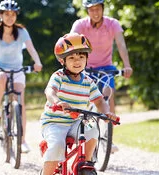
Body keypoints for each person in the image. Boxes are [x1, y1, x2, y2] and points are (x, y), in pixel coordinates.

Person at [40, 33, 118, 175]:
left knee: (93, 129)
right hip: (54, 122)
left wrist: (106, 112)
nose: (77, 61)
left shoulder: (88, 81)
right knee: (57, 145)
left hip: (76, 122)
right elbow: (49, 91)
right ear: (63, 61)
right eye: (72, 58)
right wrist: (57, 102)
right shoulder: (59, 77)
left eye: (81, 57)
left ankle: (84, 162)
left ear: (87, 58)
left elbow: (100, 100)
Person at [70, 0, 133, 153]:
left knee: (107, 93)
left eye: (98, 9)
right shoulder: (80, 25)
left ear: (103, 9)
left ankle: (107, 138)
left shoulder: (113, 24)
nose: (95, 13)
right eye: (91, 10)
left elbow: (121, 44)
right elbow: (71, 43)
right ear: (87, 11)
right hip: (86, 67)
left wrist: (126, 65)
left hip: (106, 67)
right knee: (82, 98)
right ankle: (78, 132)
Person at [0, 0, 43, 153]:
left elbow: (31, 49)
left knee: (20, 103)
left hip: (16, 70)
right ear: (0, 15)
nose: (10, 17)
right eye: (6, 14)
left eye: (13, 14)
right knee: (1, 77)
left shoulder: (22, 32)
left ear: (16, 16)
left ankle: (22, 141)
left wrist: (37, 62)